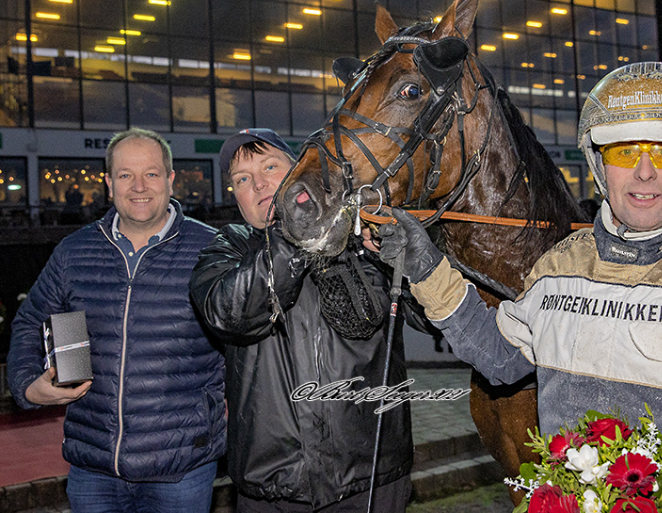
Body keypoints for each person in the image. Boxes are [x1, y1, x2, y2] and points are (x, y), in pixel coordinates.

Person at [377, 63, 662, 512]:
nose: (643, 172)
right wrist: (426, 267)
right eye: (623, 152)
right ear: (600, 165)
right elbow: (501, 359)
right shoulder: (559, 265)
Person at [189, 129, 427, 513]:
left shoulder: (360, 237)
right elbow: (229, 312)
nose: (259, 183)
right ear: (235, 195)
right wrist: (294, 234)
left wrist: (414, 263)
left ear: (301, 172)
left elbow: (429, 319)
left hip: (372, 479)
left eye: (270, 166)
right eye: (242, 179)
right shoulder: (227, 248)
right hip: (274, 488)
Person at [8, 128, 226, 513]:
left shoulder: (213, 249)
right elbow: (29, 321)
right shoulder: (73, 252)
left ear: (171, 180)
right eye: (126, 174)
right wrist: (28, 386)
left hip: (181, 469)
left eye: (152, 174)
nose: (139, 186)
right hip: (94, 468)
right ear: (109, 184)